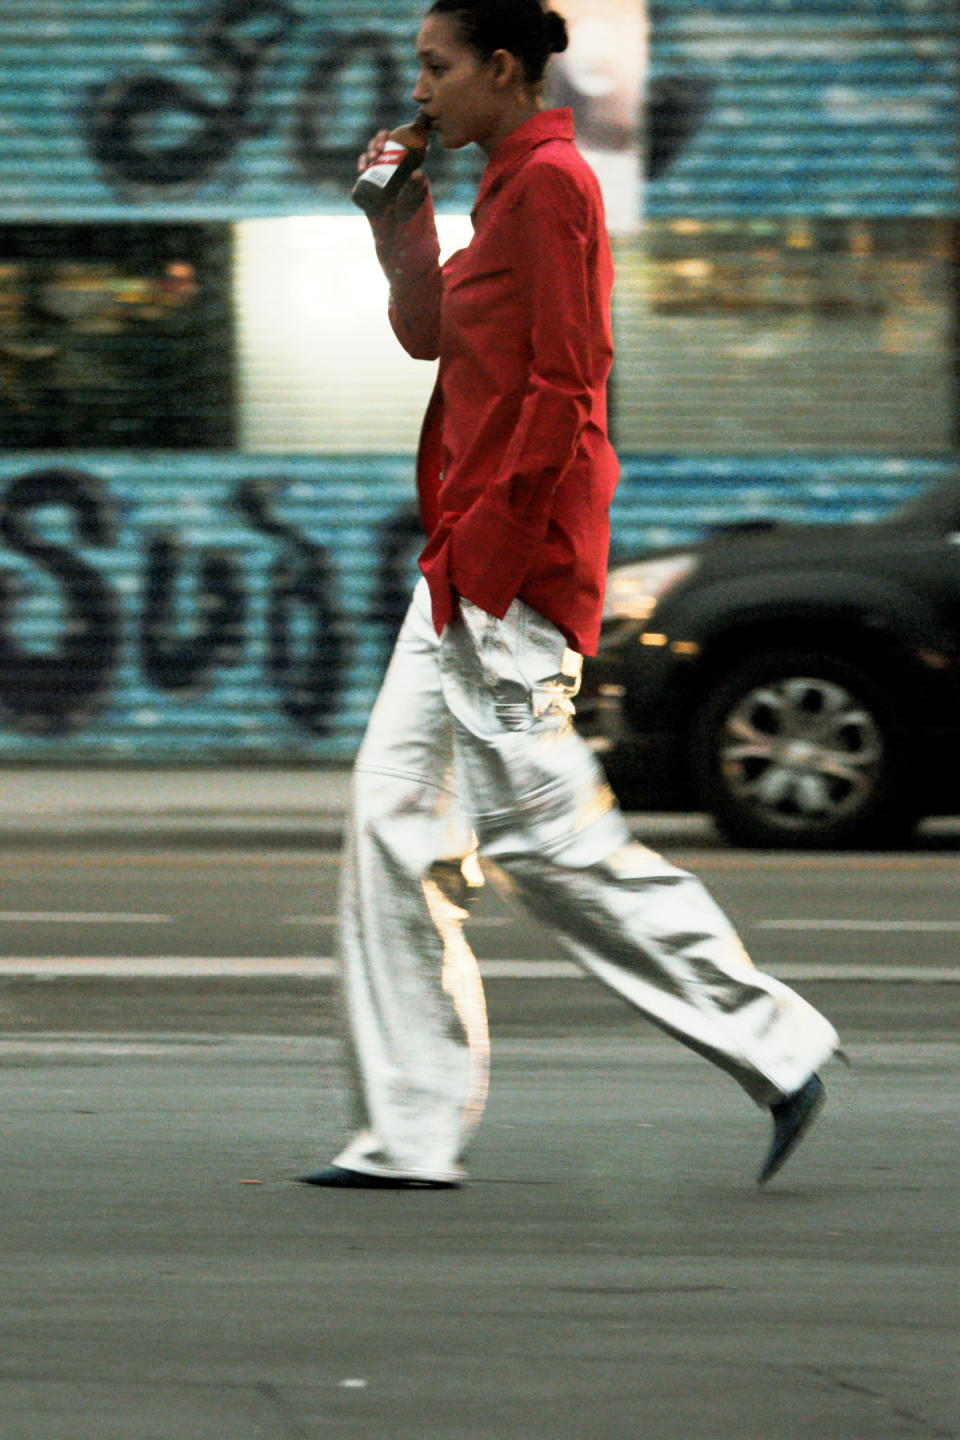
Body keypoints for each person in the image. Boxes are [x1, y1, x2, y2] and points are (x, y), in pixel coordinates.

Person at [299, 0, 838, 1191]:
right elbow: (432, 334)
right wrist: (397, 217)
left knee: (546, 841)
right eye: (417, 70)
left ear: (504, 68)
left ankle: (777, 1038)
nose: (421, 89)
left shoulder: (554, 187)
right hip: (458, 567)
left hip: (506, 571)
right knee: (392, 826)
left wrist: (494, 562)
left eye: (438, 68)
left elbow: (568, 387)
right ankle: (406, 1134)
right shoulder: (499, 186)